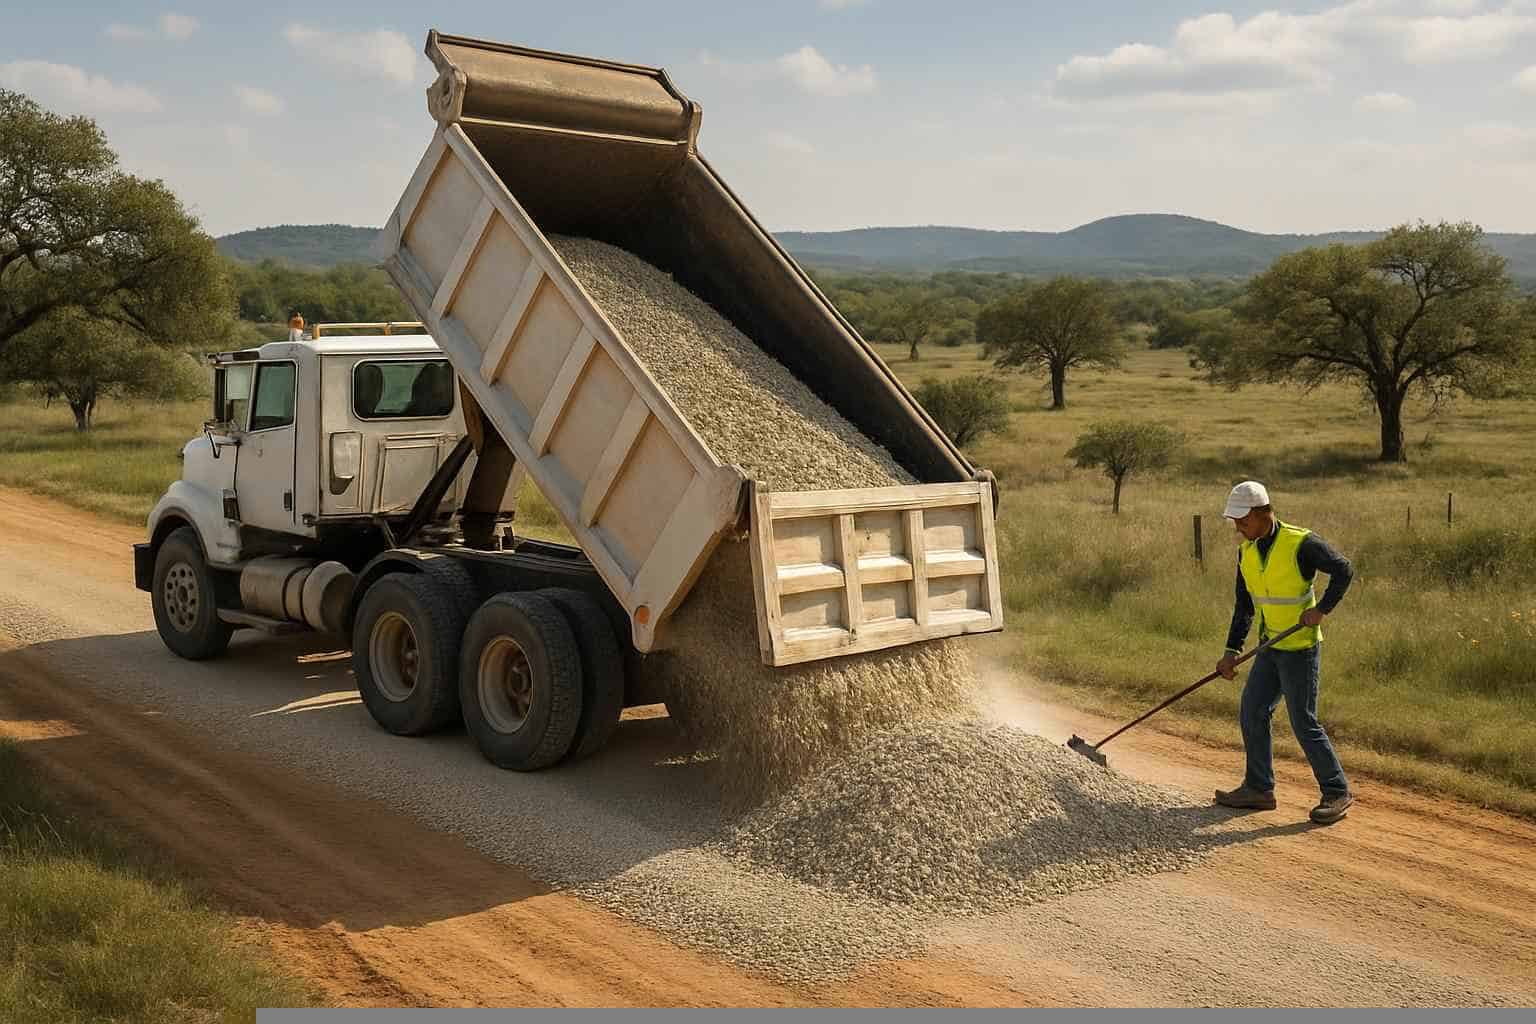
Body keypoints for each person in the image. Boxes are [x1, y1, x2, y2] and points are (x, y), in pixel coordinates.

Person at [1214, 480, 1355, 825]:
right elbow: (1244, 605)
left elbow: (1343, 570)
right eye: (1235, 522)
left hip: (1300, 648)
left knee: (1303, 721)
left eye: (1243, 520)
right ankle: (1259, 789)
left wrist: (1322, 609)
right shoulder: (1246, 552)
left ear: (1264, 512)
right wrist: (1231, 650)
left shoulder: (1301, 542)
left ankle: (1337, 791)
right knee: (1252, 711)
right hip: (1269, 646)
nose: (1238, 528)